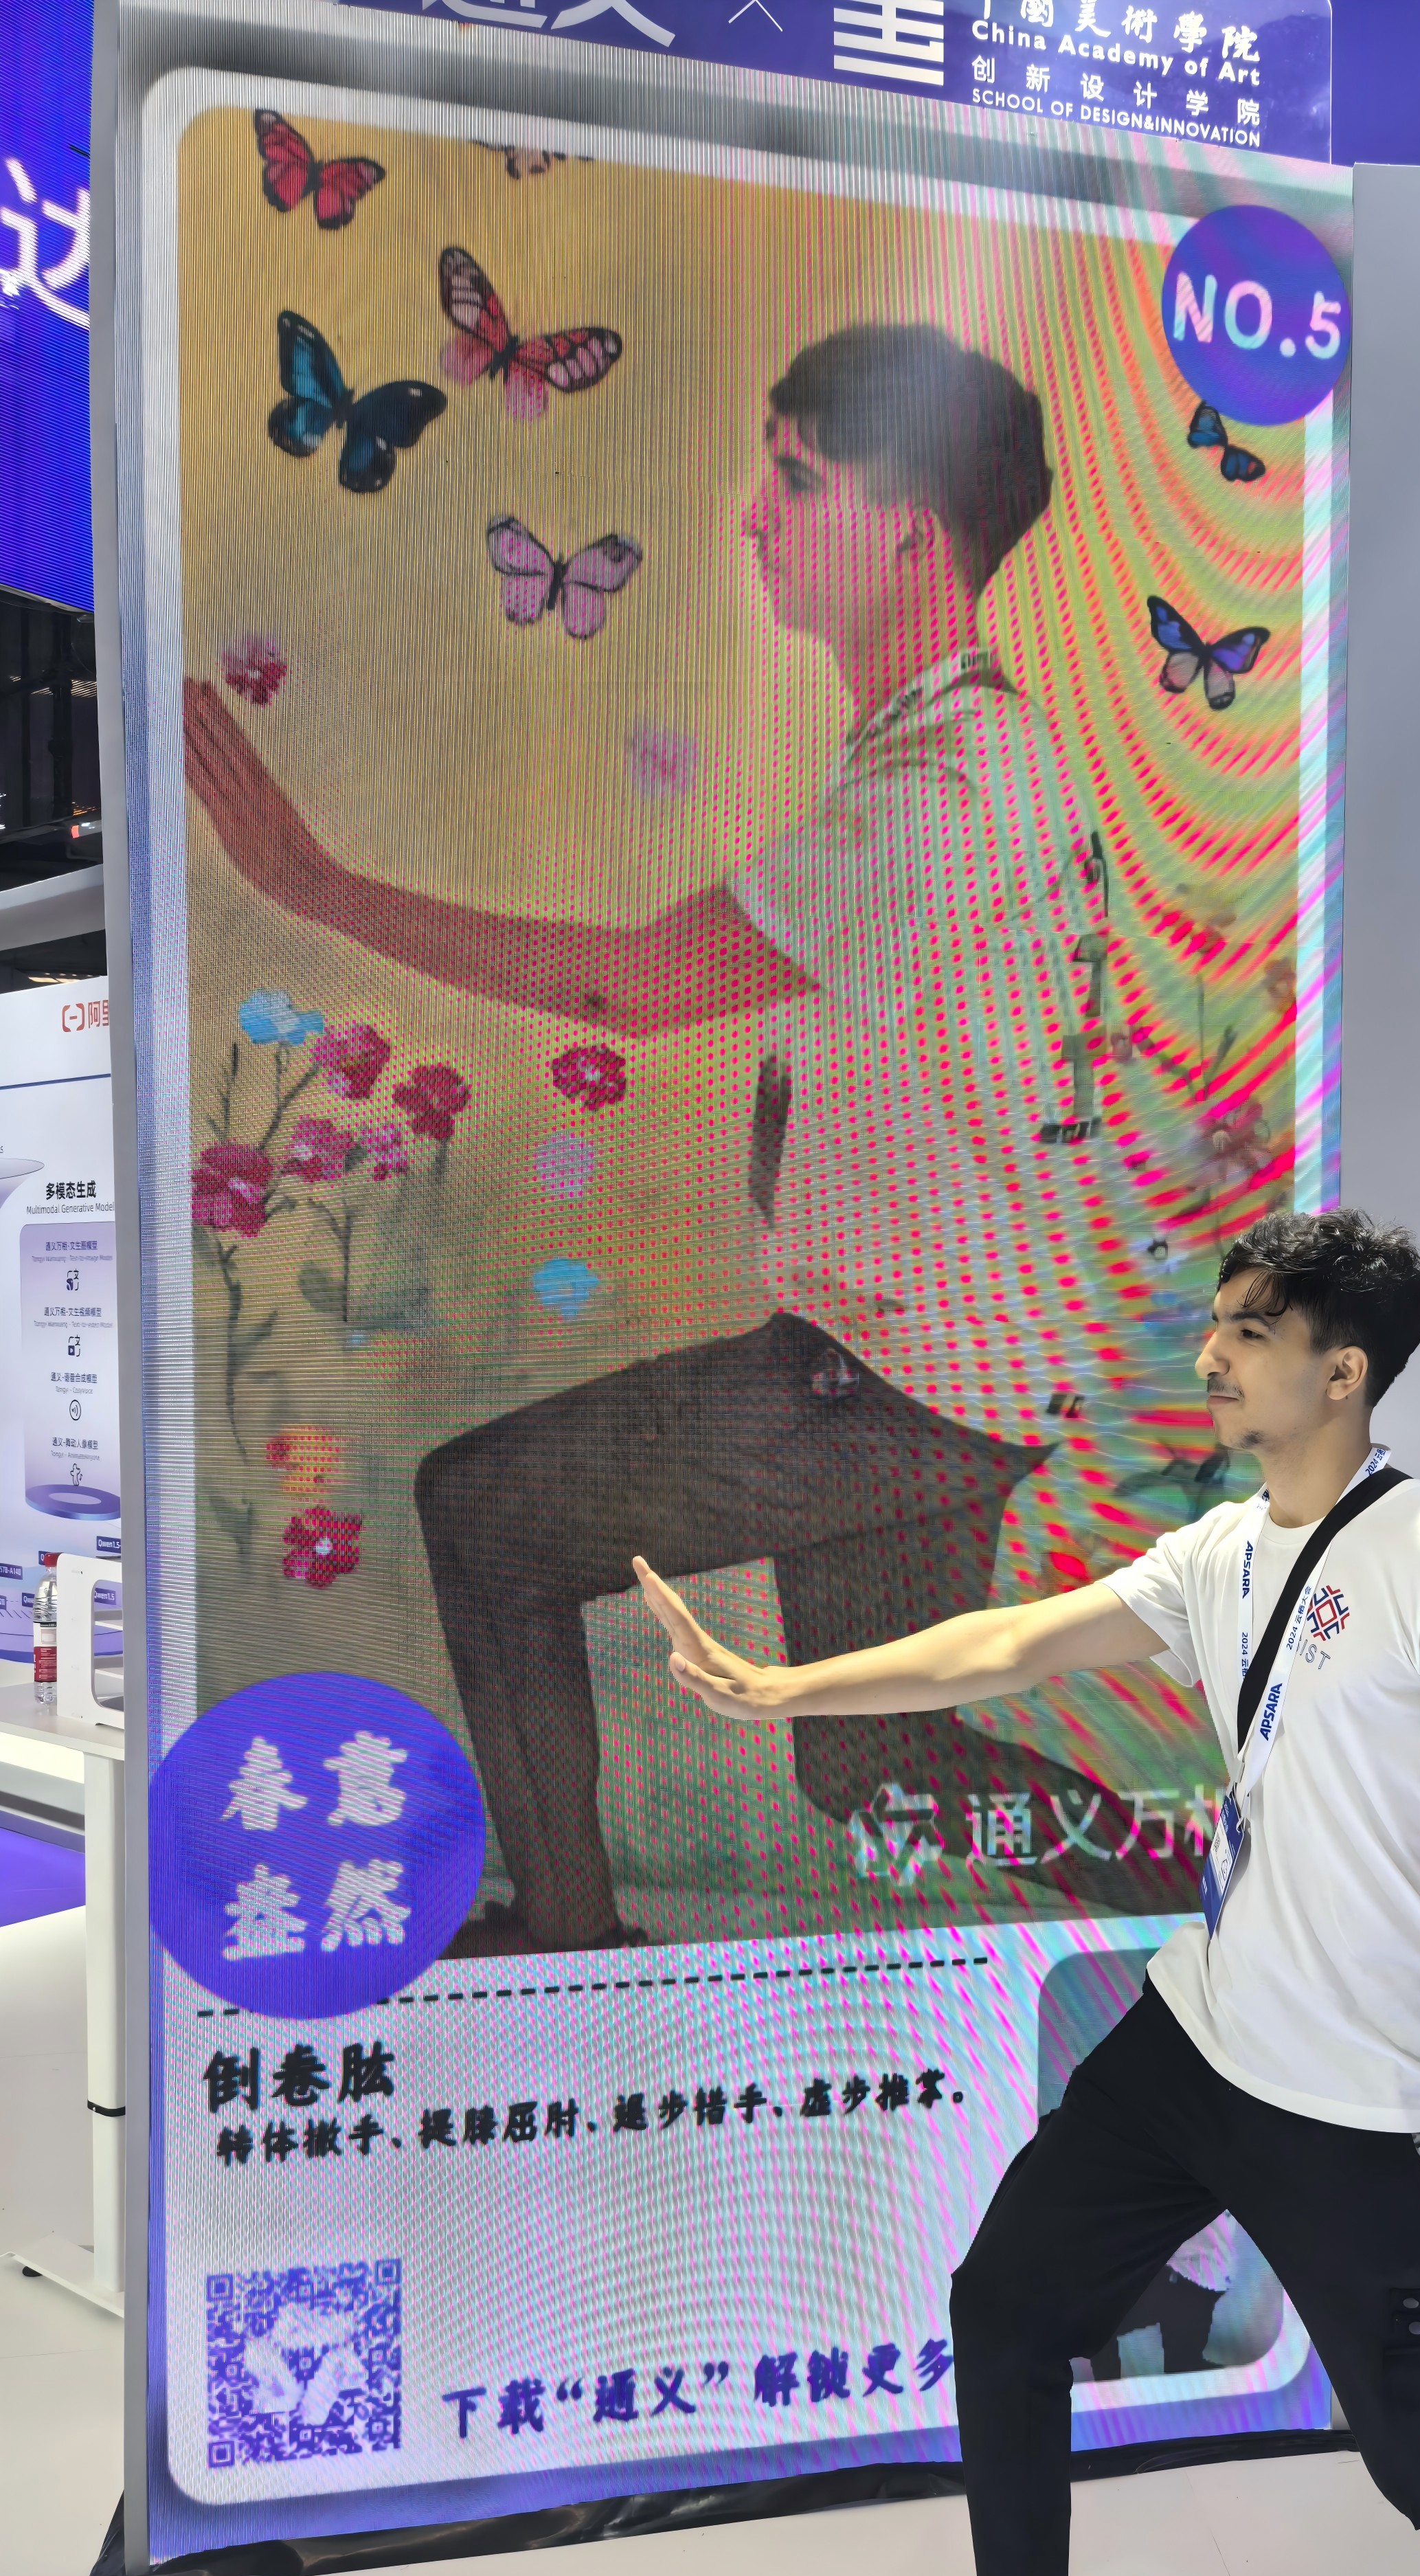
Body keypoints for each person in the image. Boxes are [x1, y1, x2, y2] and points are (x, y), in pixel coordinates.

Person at [634, 1207, 1420, 2576]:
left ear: (1342, 1371)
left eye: (1251, 1331)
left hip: (1372, 2097)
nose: (1211, 1353)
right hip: (1198, 2042)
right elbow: (1009, 1643)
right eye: (1219, 1322)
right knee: (1005, 2307)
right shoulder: (1221, 1548)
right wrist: (785, 1685)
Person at [183, 322, 1188, 1953]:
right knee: (875, 1766)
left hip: (899, 1377)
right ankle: (1229, 1885)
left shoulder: (942, 793)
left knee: (487, 1514)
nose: (754, 514)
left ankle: (566, 1929)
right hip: (975, 1367)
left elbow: (632, 986)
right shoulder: (962, 747)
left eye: (797, 478)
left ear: (912, 535)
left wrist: (313, 886)